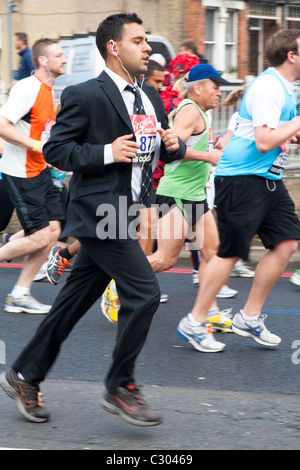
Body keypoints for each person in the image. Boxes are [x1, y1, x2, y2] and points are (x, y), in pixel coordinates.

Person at [0, 13, 186, 427]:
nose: (148, 48)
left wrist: (175, 144)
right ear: (114, 47)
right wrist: (104, 152)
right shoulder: (86, 94)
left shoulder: (151, 98)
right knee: (144, 294)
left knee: (71, 305)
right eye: (139, 41)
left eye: (146, 41)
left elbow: (160, 150)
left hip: (130, 212)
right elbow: (56, 151)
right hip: (99, 212)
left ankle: (23, 375)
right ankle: (121, 386)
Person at [178, 29, 300, 350]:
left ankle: (249, 316)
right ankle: (195, 321)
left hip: (267, 179)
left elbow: (280, 133)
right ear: (291, 55)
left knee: (287, 243)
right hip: (241, 178)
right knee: (230, 252)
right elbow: (263, 141)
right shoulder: (267, 87)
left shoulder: (287, 88)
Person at [148, 63, 234, 350]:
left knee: (213, 252)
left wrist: (212, 147)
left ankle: (206, 312)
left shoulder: (202, 113)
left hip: (195, 195)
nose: (219, 92)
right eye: (215, 87)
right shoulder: (190, 109)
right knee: (164, 260)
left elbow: (188, 145)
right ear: (198, 87)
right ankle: (114, 281)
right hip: (176, 195)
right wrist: (208, 157)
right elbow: (171, 152)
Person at [0, 38, 67, 314]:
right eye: (59, 55)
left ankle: (20, 293)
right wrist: (37, 146)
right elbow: (2, 125)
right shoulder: (28, 88)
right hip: (21, 173)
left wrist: (50, 158)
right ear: (43, 60)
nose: (64, 59)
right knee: (40, 237)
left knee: (53, 230)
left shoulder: (47, 90)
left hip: (40, 170)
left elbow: (41, 132)